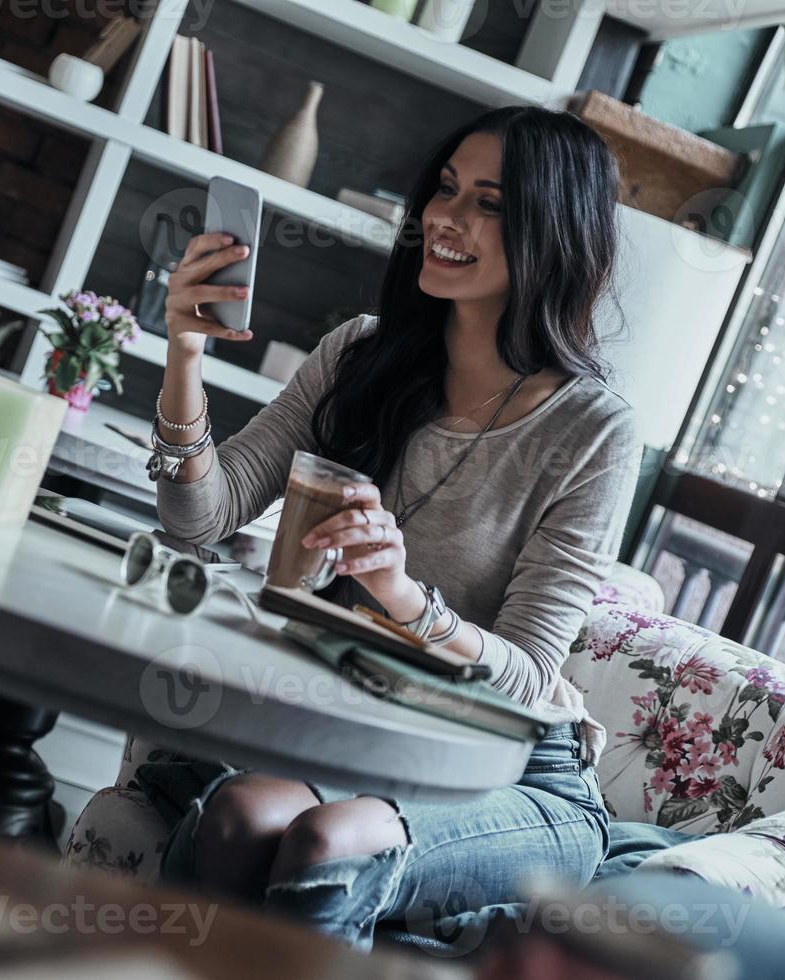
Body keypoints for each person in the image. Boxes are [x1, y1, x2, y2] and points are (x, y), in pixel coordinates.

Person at [146, 105, 643, 950]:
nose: (445, 219)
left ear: (554, 231)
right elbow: (201, 518)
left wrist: (404, 598)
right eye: (445, 190)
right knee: (237, 817)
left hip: (509, 765)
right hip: (360, 728)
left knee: (324, 843)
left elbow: (527, 678)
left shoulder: (591, 429)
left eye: (490, 203)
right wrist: (185, 359)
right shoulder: (358, 355)